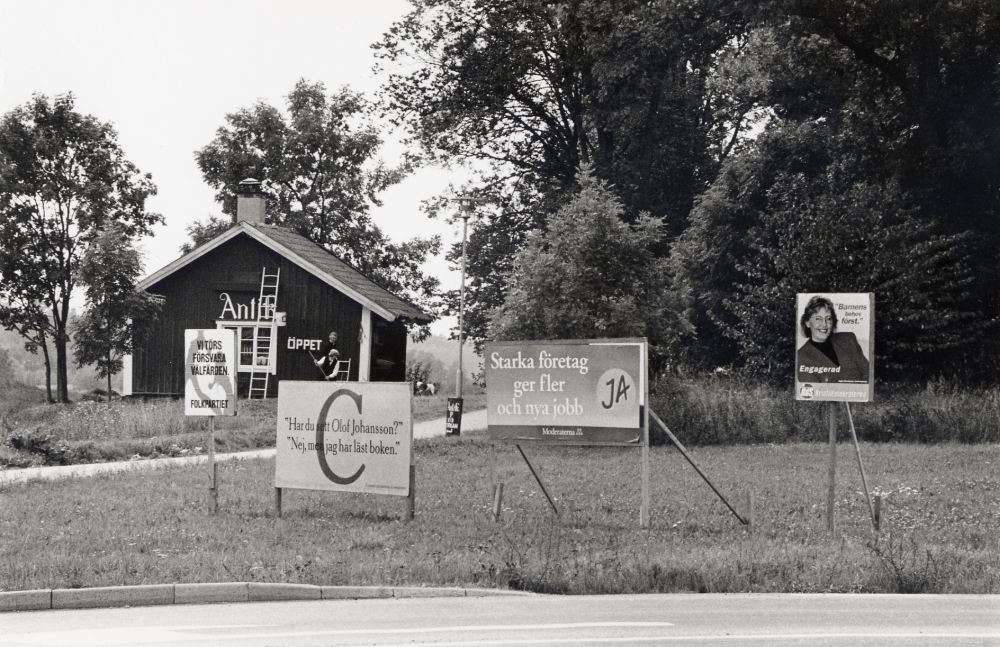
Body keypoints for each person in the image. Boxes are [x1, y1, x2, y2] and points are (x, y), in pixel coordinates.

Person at [796, 296, 869, 383]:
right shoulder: (801, 357)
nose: (824, 324)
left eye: (828, 319)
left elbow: (869, 375)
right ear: (807, 323)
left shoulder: (848, 339)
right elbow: (814, 393)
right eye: (818, 319)